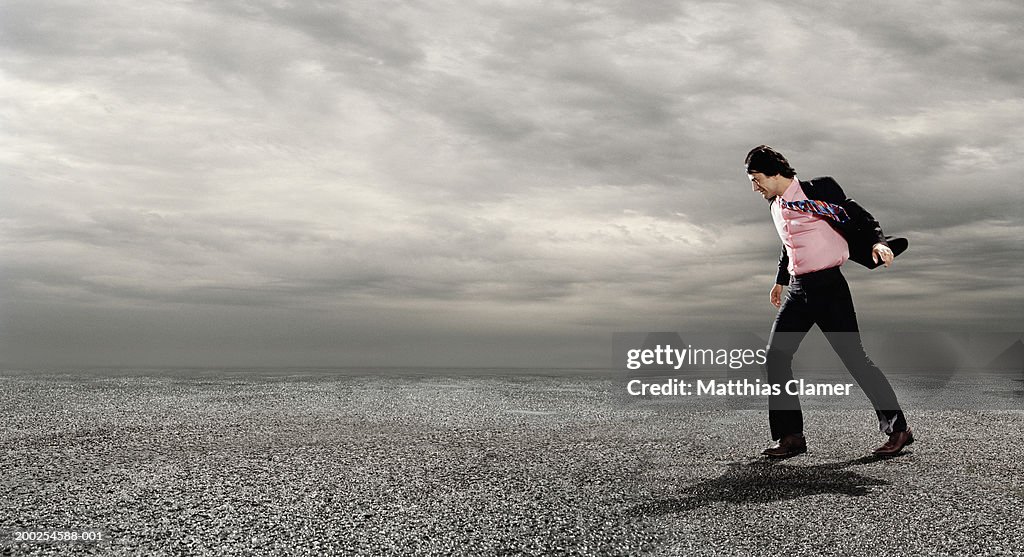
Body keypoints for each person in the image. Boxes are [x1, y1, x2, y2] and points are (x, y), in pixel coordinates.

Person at [745, 145, 914, 459]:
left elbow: (859, 215)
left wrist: (878, 242)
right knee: (776, 357)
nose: (755, 187)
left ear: (774, 172)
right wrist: (781, 279)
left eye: (756, 179)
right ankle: (791, 436)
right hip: (798, 290)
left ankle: (898, 428)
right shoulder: (775, 204)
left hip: (828, 287)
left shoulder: (818, 190)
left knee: (855, 360)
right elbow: (789, 241)